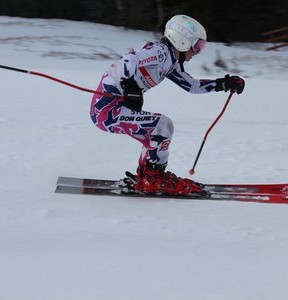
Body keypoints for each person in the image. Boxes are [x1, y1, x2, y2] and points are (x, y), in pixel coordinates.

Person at [90, 14, 245, 196]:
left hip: (115, 110)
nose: (196, 52)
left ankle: (147, 176)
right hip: (107, 111)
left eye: (200, 48)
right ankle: (153, 179)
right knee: (161, 125)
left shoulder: (170, 61)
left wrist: (222, 84)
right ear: (181, 41)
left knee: (156, 133)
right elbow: (128, 59)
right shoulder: (159, 53)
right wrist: (127, 85)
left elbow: (192, 86)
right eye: (197, 46)